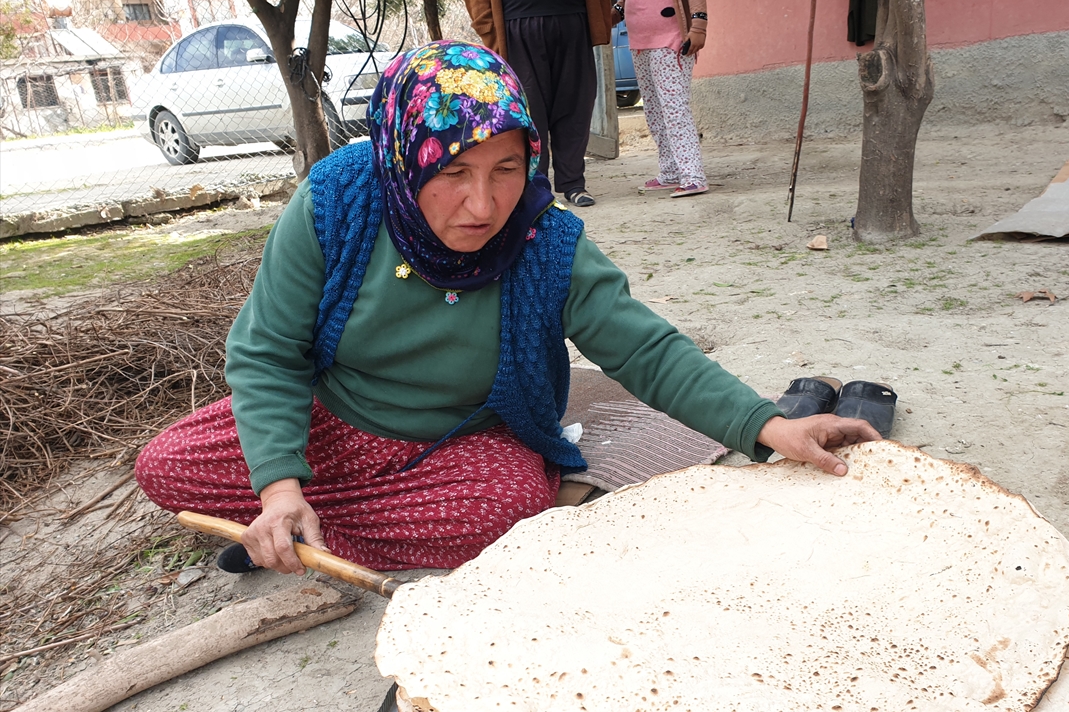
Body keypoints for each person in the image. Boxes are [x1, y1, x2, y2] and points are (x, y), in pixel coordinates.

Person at [135, 41, 879, 577]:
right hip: (328, 422)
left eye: (506, 170)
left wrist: (768, 426)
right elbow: (266, 352)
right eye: (453, 172)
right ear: (403, 159)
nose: (484, 203)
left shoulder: (543, 239)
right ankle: (298, 514)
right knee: (164, 467)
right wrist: (280, 482)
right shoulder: (339, 201)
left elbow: (643, 349)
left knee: (512, 511)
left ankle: (303, 534)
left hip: (456, 444)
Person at [463, 0, 614, 207]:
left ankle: (573, 184)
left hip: (573, 22)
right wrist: (489, 29)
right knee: (529, 110)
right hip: (516, 27)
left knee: (575, 104)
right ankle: (535, 186)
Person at [619, 0, 708, 197]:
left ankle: (693, 176)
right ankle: (670, 172)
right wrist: (615, 12)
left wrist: (699, 26)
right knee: (654, 111)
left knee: (674, 109)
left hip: (672, 40)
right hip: (640, 43)